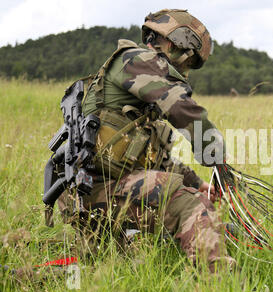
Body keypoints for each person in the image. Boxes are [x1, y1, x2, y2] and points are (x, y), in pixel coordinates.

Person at [57, 9, 235, 273]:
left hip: (93, 191)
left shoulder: (139, 99)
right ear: (177, 45)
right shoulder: (136, 61)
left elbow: (159, 162)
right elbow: (183, 110)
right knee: (191, 205)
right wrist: (217, 158)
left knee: (107, 271)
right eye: (188, 62)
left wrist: (201, 185)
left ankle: (22, 278)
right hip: (93, 189)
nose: (185, 72)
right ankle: (222, 284)